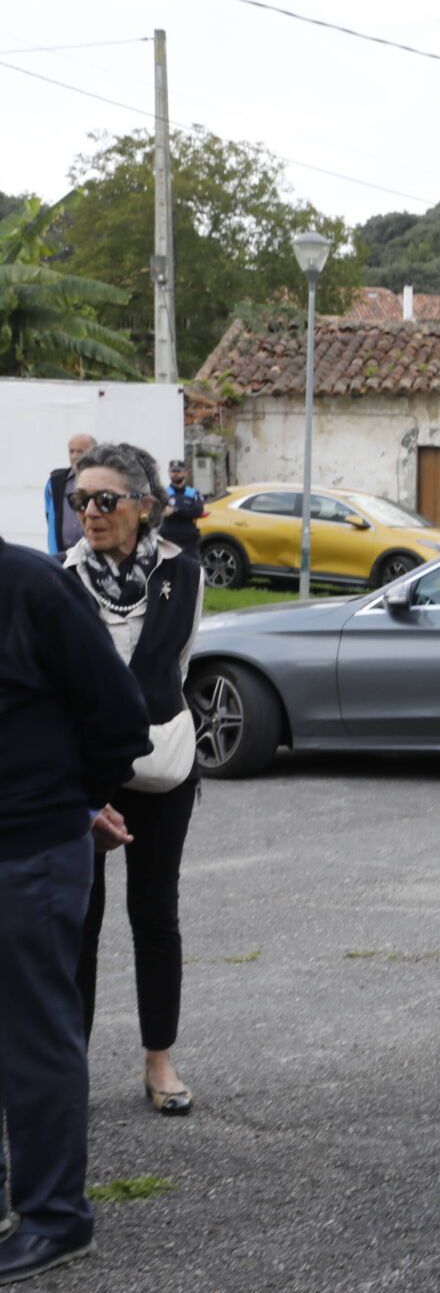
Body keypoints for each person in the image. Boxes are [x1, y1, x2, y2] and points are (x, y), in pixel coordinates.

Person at [0, 533, 152, 1284]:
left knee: (34, 1040)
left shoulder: (31, 587)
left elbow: (120, 716)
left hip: (27, 854)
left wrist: (71, 799)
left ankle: (56, 1217)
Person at [61, 443, 205, 1115]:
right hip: (84, 772)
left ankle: (160, 1061)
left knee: (154, 913)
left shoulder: (186, 574)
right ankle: (70, 1065)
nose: (90, 512)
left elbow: (170, 668)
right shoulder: (60, 578)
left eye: (104, 499)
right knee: (78, 920)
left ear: (143, 506)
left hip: (161, 768)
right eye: (79, 500)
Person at [44, 433, 95, 556]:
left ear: (94, 453)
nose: (75, 456)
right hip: (61, 555)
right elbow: (50, 517)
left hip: (91, 555)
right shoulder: (55, 482)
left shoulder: (101, 481)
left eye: (80, 452)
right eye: (71, 451)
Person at [159, 459, 205, 552]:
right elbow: (160, 510)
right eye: (173, 471)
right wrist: (186, 510)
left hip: (189, 539)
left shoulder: (193, 493)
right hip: (168, 538)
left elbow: (197, 511)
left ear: (185, 473)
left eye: (178, 471)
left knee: (192, 565)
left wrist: (175, 510)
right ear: (168, 473)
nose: (175, 474)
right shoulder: (163, 493)